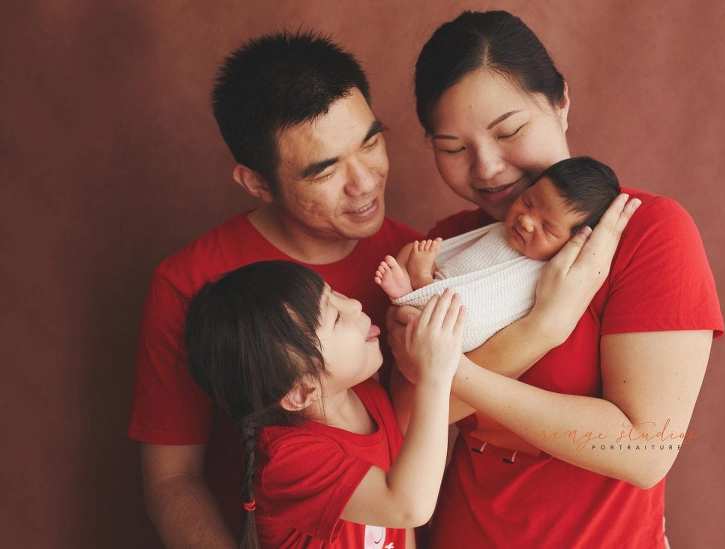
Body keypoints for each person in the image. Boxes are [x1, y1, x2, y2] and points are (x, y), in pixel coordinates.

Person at [388, 10, 724, 549]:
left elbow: (644, 453)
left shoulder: (650, 233)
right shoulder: (450, 243)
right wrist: (544, 326)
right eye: (452, 148)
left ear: (561, 102)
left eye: (509, 131)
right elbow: (398, 428)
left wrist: (450, 370)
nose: (487, 168)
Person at [128, 32, 420, 548]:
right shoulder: (193, 281)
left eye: (371, 143)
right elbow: (172, 480)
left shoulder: (413, 258)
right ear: (257, 183)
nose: (365, 182)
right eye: (326, 170)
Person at [184, 261, 465, 548]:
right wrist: (436, 376)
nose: (355, 305)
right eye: (335, 318)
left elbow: (399, 528)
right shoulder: (288, 460)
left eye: (335, 294)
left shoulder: (368, 394)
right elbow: (407, 508)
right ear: (301, 392)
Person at [375, 156, 619, 350]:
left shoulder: (537, 274)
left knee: (442, 310)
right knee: (409, 252)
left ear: (574, 243)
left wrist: (422, 277)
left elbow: (471, 324)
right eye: (528, 202)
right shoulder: (501, 231)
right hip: (441, 286)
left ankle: (414, 291)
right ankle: (416, 292)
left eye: (547, 228)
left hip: (451, 325)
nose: (526, 221)